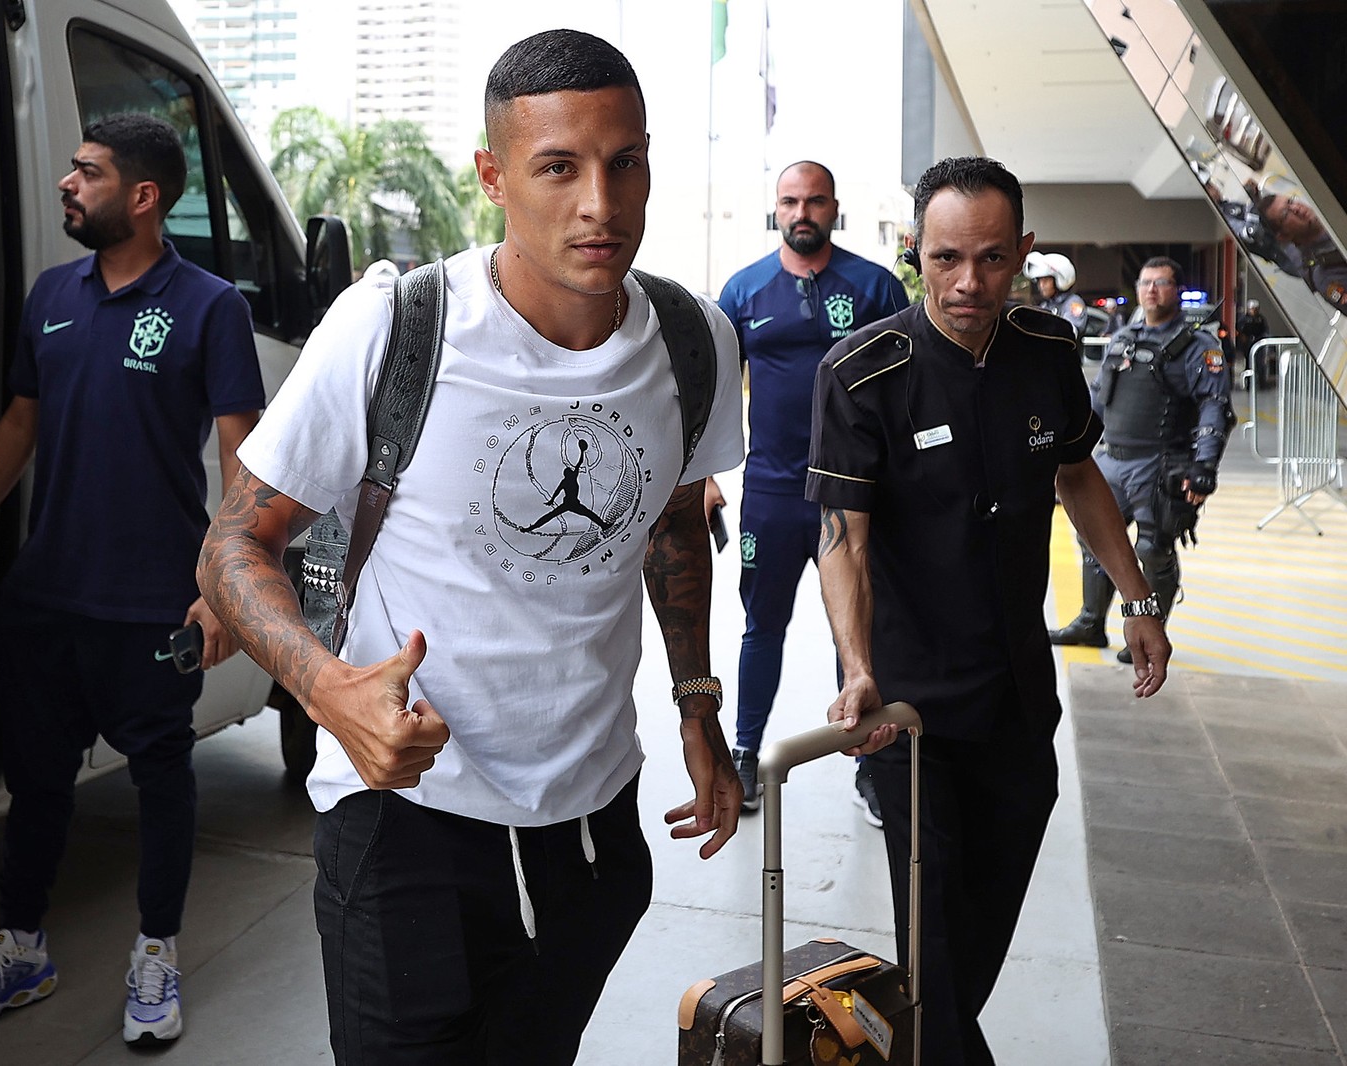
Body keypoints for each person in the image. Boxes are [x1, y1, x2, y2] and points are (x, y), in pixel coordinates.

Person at [200, 31, 897, 1066]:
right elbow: (233, 544)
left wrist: (696, 705)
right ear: (492, 175)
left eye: (625, 163)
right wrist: (328, 691)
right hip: (406, 820)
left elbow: (669, 517)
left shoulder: (693, 338)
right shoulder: (395, 325)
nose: (599, 204)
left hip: (590, 827)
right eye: (558, 166)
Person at [807, 155, 1171, 1065]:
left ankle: (909, 1036)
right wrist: (857, 671)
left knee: (971, 943)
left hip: (1017, 700)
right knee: (932, 949)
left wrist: (1137, 598)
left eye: (993, 259)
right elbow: (842, 536)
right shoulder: (862, 373)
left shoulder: (1047, 353)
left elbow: (1079, 473)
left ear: (1025, 253)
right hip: (909, 711)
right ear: (913, 251)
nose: (969, 283)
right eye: (945, 259)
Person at [0, 113, 264, 1044]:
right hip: (47, 593)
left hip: (150, 598)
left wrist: (221, 584)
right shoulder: (49, 294)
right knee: (36, 782)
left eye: (87, 172)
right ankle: (21, 947)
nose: (68, 184)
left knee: (161, 776)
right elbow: (20, 425)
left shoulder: (209, 307)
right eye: (72, 169)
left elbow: (241, 463)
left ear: (142, 197)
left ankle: (156, 954)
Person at [709, 160, 908, 821]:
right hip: (769, 491)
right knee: (761, 626)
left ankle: (867, 764)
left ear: (834, 207)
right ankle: (744, 752)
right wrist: (704, 476)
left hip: (853, 493)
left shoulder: (875, 287)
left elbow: (909, 388)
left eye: (814, 201)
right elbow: (712, 394)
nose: (802, 213)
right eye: (791, 201)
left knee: (854, 631)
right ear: (777, 208)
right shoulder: (744, 290)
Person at [1049, 256, 1234, 661]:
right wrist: (1068, 448)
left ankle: (1150, 633)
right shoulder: (1123, 338)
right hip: (1110, 460)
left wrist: (1204, 465)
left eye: (1162, 283)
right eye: (1146, 282)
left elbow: (1214, 406)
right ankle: (1090, 623)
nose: (1152, 290)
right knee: (1093, 540)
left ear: (1176, 290)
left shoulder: (1198, 347)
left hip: (1160, 464)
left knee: (1153, 549)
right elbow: (1097, 399)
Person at [1257, 191, 1347, 310]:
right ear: (1283, 236)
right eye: (1285, 213)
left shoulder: (1332, 207)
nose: (1295, 208)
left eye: (1290, 201)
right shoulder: (1325, 276)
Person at [1023, 250, 1089, 335]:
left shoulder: (1073, 303)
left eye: (1045, 281)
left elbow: (1070, 332)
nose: (1041, 285)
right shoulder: (1046, 305)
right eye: (1039, 281)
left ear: (1059, 280)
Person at [1235, 297, 1269, 380]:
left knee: (1259, 362)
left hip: (1258, 342)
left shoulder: (1260, 319)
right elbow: (1239, 329)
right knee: (1248, 361)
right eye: (1252, 309)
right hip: (1247, 344)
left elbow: (1264, 329)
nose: (1253, 311)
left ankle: (1260, 380)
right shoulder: (1244, 319)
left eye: (1255, 309)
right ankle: (1249, 380)